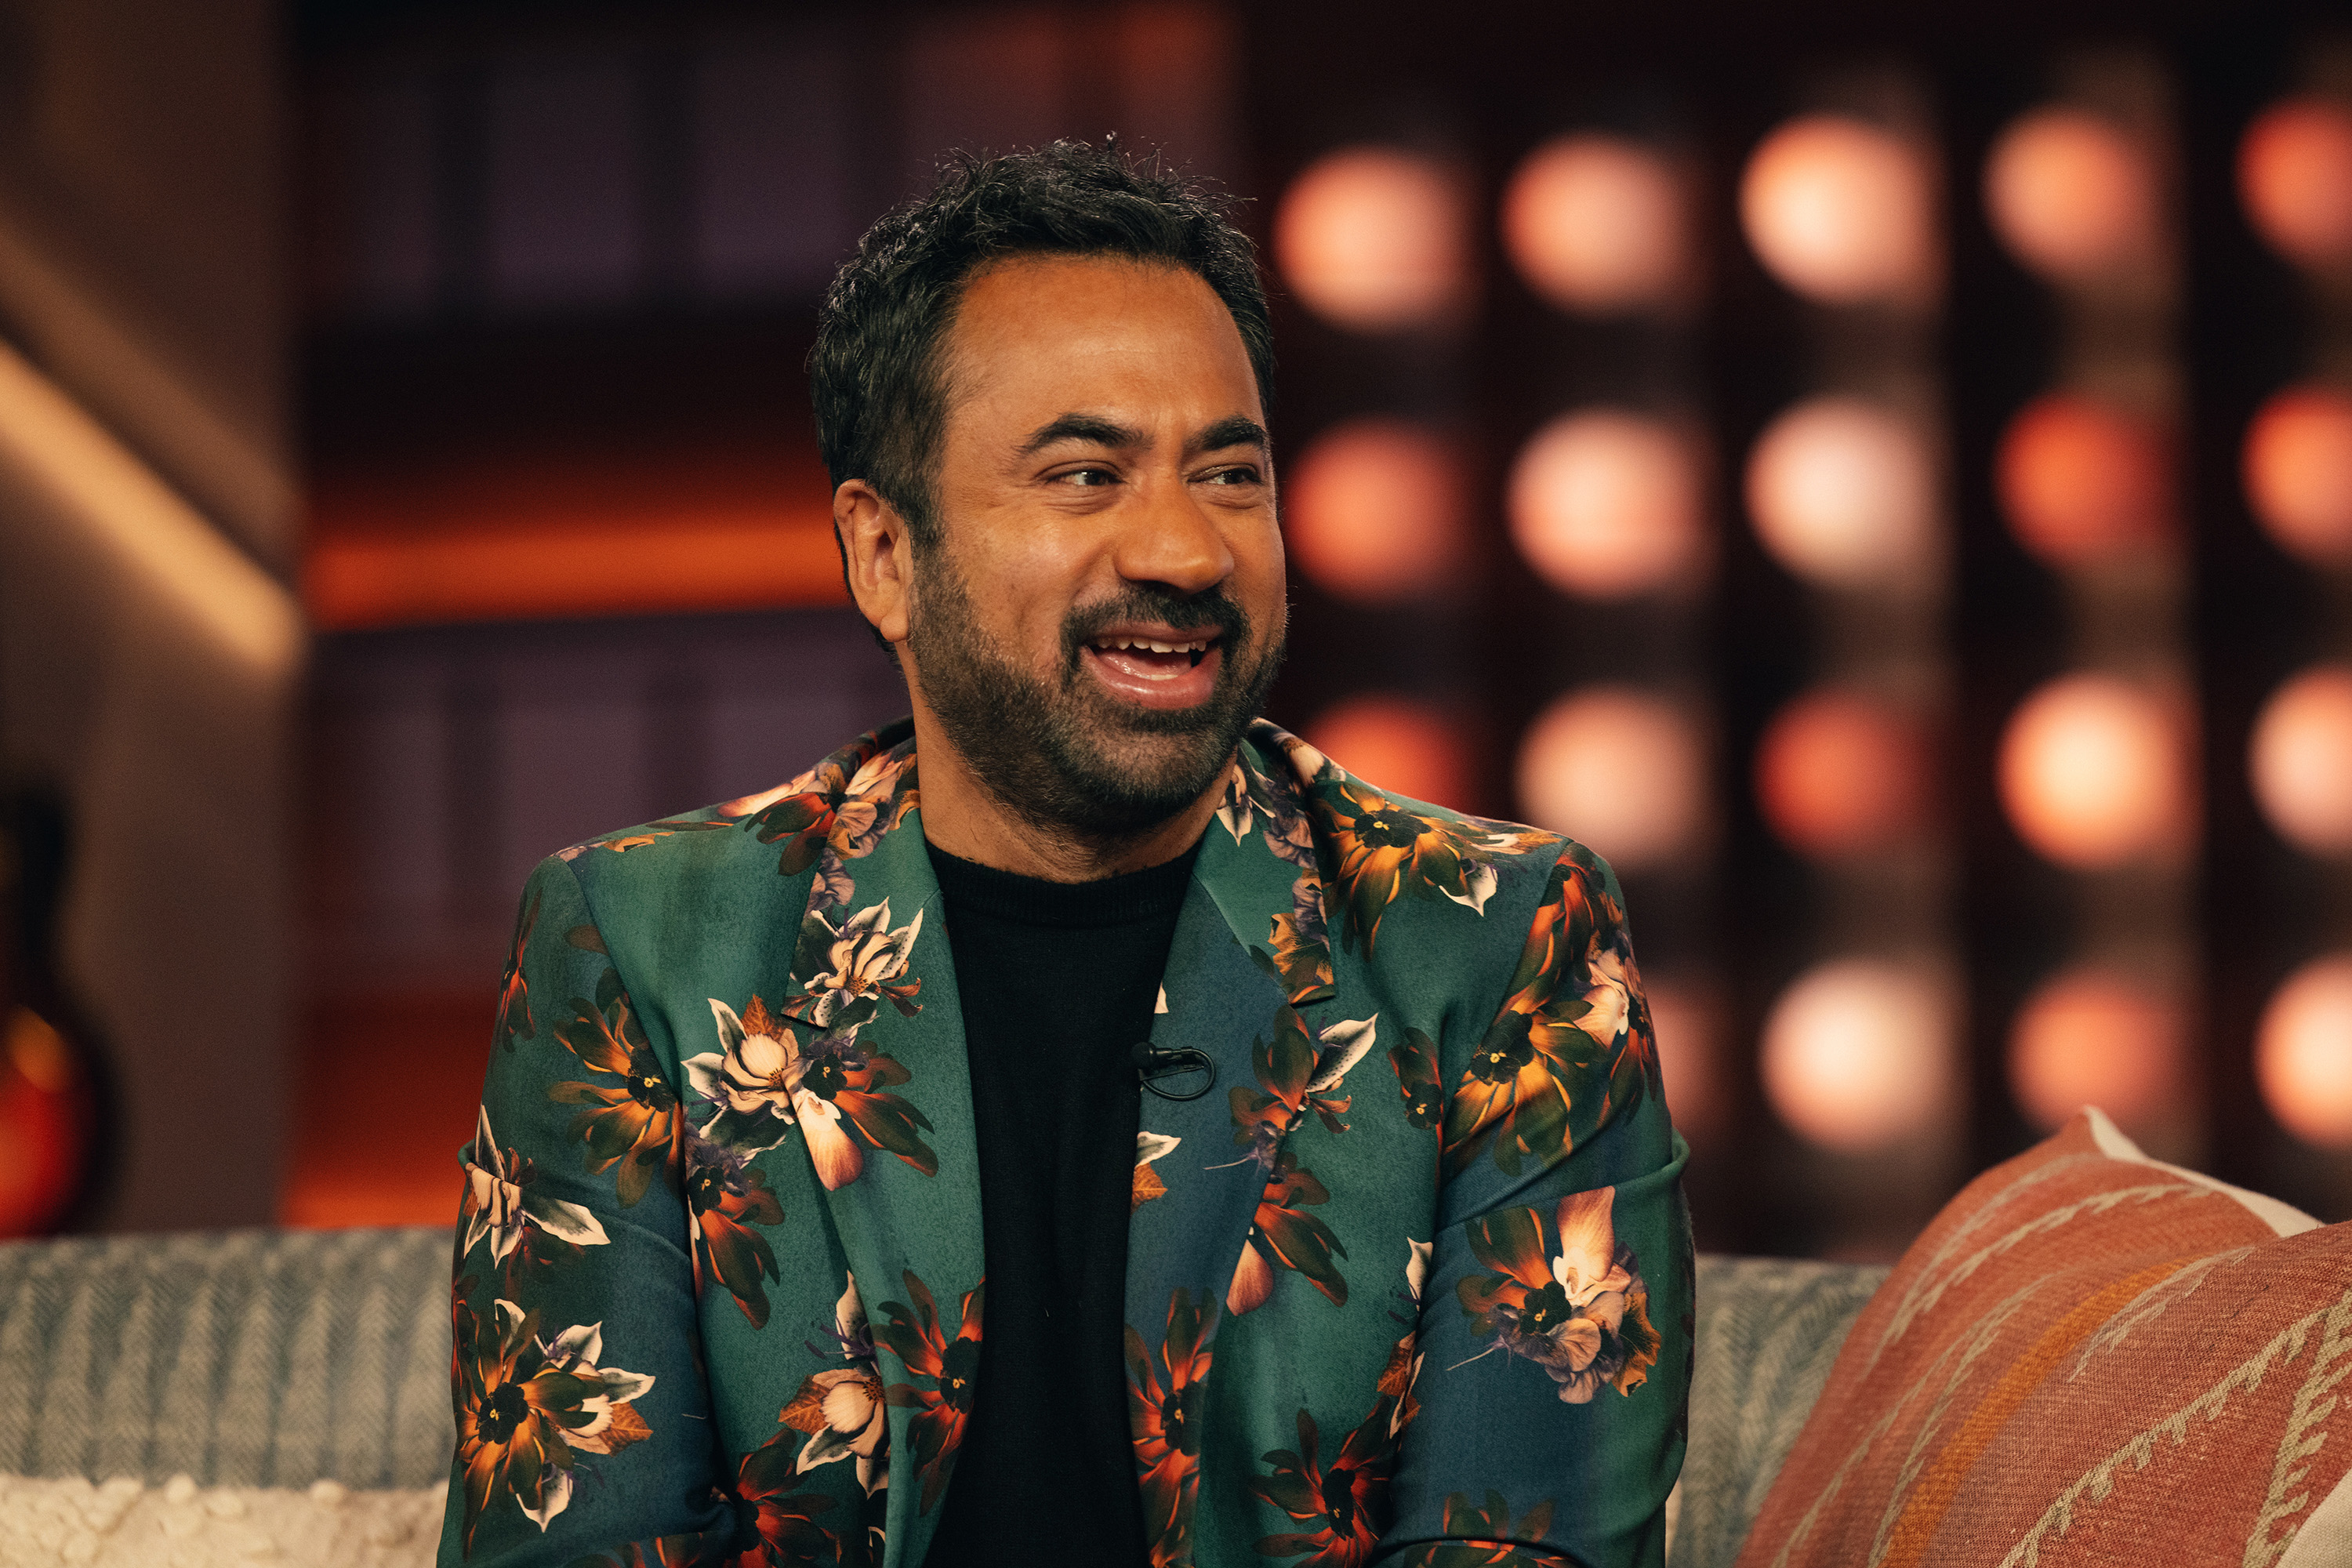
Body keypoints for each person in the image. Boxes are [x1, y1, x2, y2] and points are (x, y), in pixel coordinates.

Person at [439, 140, 1690, 1568]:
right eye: (1087, 474)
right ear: (884, 556)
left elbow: (1527, 1544)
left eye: (1231, 473)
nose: (1186, 549)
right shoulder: (643, 945)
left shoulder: (1498, 940)